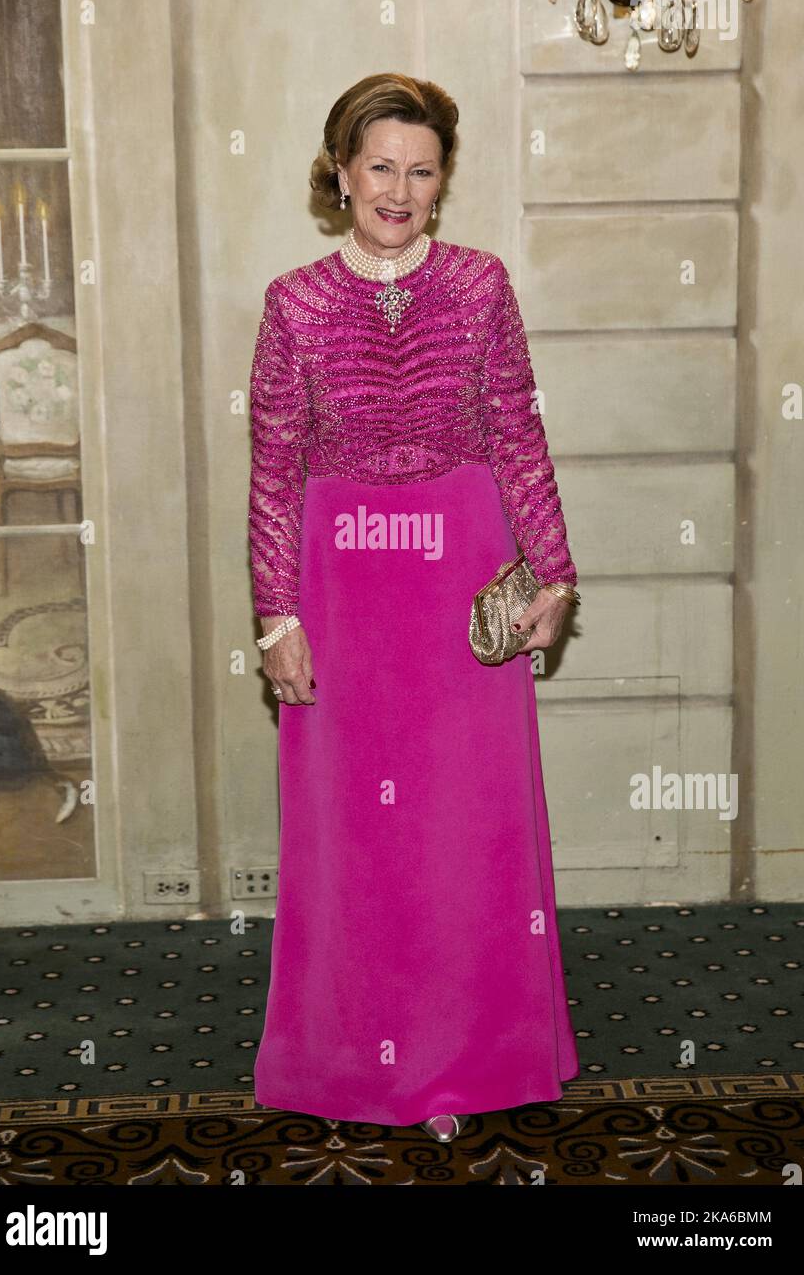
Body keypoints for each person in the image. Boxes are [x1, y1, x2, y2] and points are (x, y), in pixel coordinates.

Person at [248, 72, 580, 1141]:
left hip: (462, 574)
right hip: (340, 587)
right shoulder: (291, 303)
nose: (397, 189)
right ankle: (354, 1060)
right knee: (353, 831)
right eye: (378, 166)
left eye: (419, 169)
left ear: (443, 182)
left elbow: (517, 433)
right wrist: (274, 615)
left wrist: (555, 575)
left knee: (461, 829)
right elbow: (271, 469)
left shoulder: (480, 287)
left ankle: (461, 1065)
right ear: (341, 172)